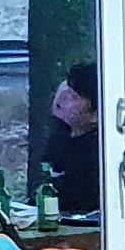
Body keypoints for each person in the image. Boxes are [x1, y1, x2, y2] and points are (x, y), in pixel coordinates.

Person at [45, 63, 104, 222]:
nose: (60, 101)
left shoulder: (97, 153)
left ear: (96, 114)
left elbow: (76, 202)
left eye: (73, 97)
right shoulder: (61, 135)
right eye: (62, 90)